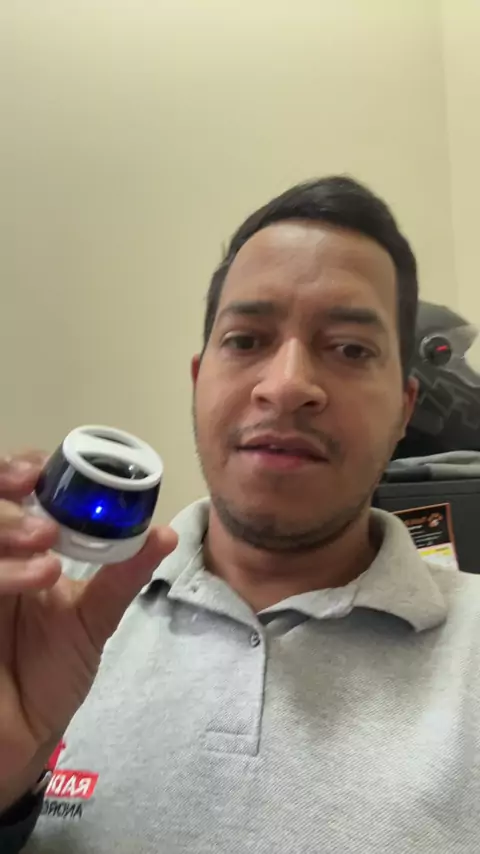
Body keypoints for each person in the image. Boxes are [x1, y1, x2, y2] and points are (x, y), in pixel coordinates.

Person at [1, 176, 479, 854]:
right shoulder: (42, 615)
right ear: (200, 382)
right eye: (247, 340)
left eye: (350, 349)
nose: (286, 386)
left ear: (405, 409)